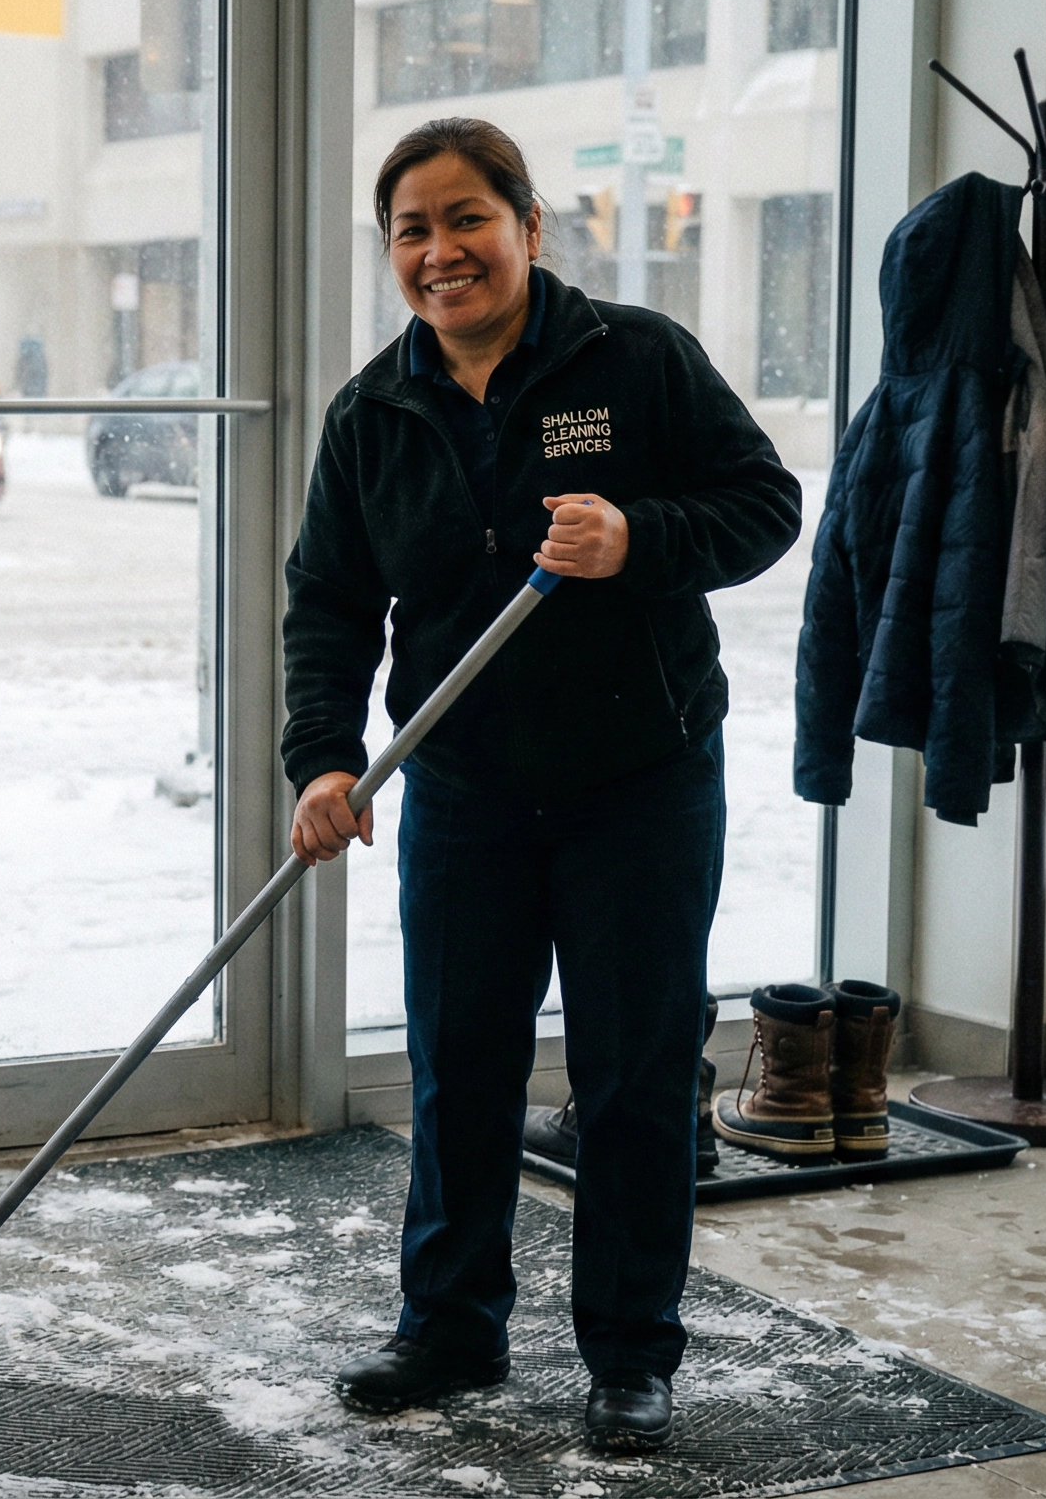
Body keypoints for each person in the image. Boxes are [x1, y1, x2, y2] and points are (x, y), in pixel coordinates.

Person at [281, 120, 799, 1452]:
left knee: (631, 1072)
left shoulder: (635, 362)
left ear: (526, 226)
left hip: (641, 780)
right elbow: (329, 603)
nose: (442, 252)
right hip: (464, 789)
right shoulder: (374, 415)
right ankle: (450, 1327)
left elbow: (762, 504)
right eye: (413, 229)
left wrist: (640, 536)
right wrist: (325, 758)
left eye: (468, 220)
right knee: (461, 1065)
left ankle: (631, 1351)